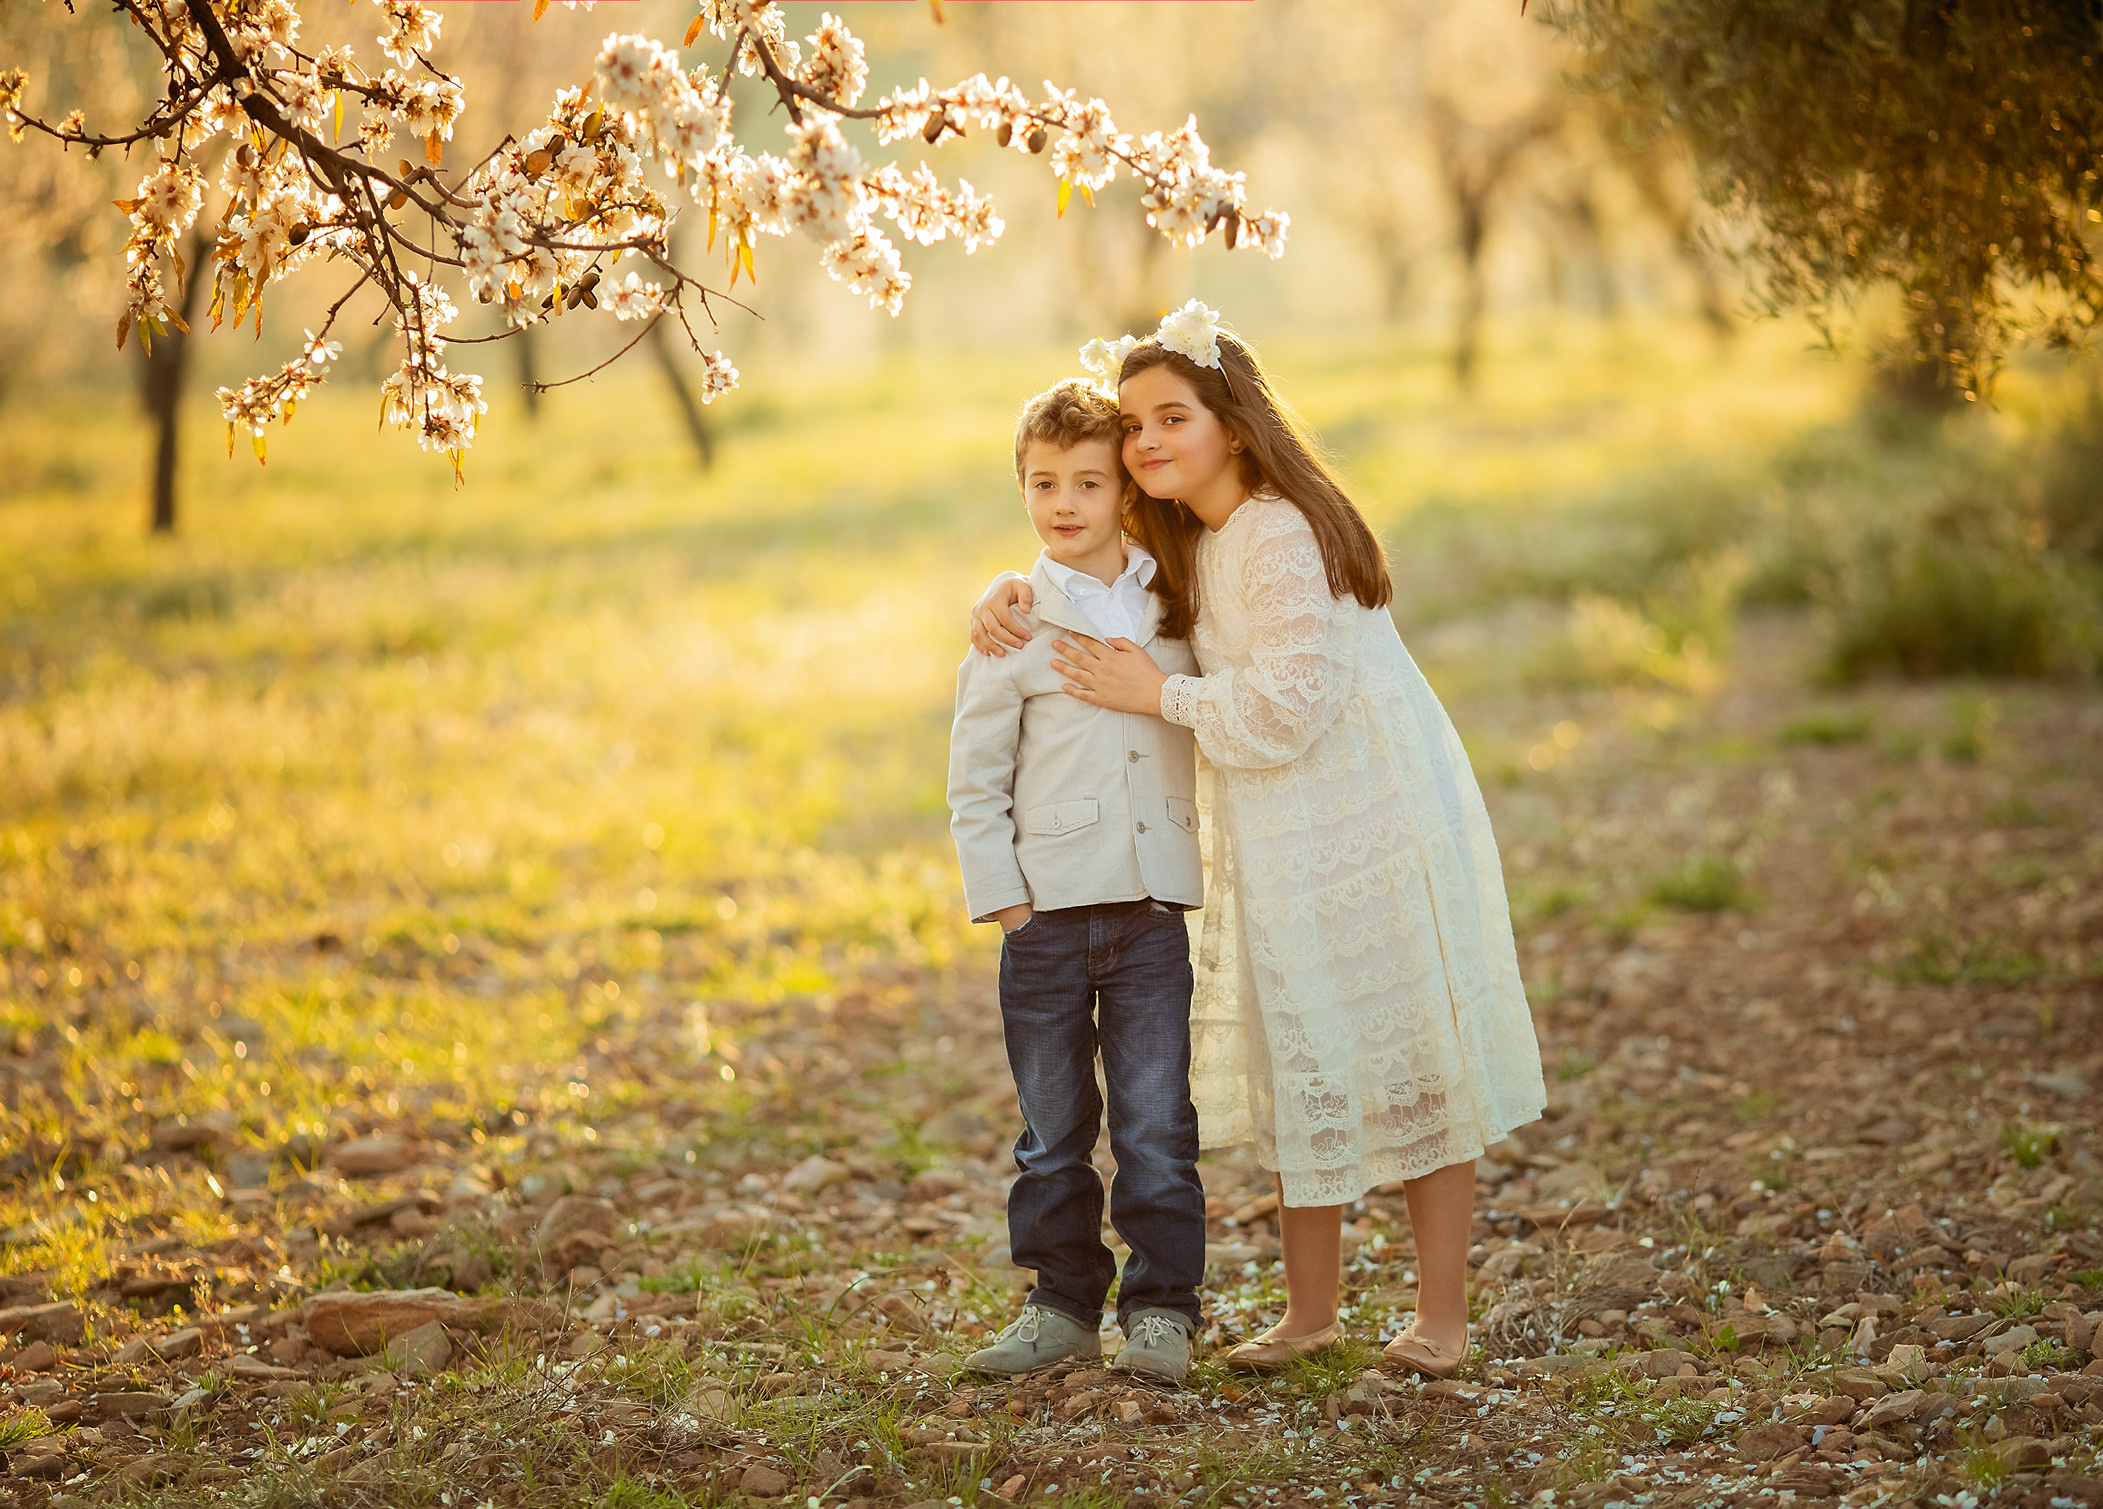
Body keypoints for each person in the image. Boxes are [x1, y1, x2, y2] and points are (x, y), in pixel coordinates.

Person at [969, 304, 1546, 1378]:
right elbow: (1077, 557)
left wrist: (1161, 692)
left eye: (1170, 417)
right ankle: (1312, 1313)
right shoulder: (1194, 528)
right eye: (1133, 425)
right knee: (1304, 1039)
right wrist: (1002, 592)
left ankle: (1444, 1318)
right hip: (1285, 816)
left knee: (1412, 1042)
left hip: (1366, 811)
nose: (1143, 444)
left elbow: (1289, 704)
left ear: (1232, 424)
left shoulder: (1278, 529)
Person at [947, 379, 1209, 1382]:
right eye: (1045, 482)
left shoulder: (1171, 605)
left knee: (1154, 1123)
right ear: (1022, 491)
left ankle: (1163, 1310)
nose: (1065, 502)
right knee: (1052, 1132)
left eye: (1088, 482)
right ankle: (1060, 1304)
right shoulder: (1014, 626)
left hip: (1147, 912)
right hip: (1046, 918)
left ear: (1124, 495)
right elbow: (973, 777)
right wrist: (1004, 895)